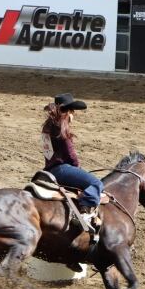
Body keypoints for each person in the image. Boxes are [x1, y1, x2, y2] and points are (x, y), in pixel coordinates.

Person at [41, 93, 103, 233]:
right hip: (62, 169)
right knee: (96, 184)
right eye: (73, 111)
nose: (74, 114)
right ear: (68, 112)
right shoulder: (62, 128)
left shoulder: (48, 127)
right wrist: (77, 168)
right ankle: (85, 213)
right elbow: (71, 155)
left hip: (48, 170)